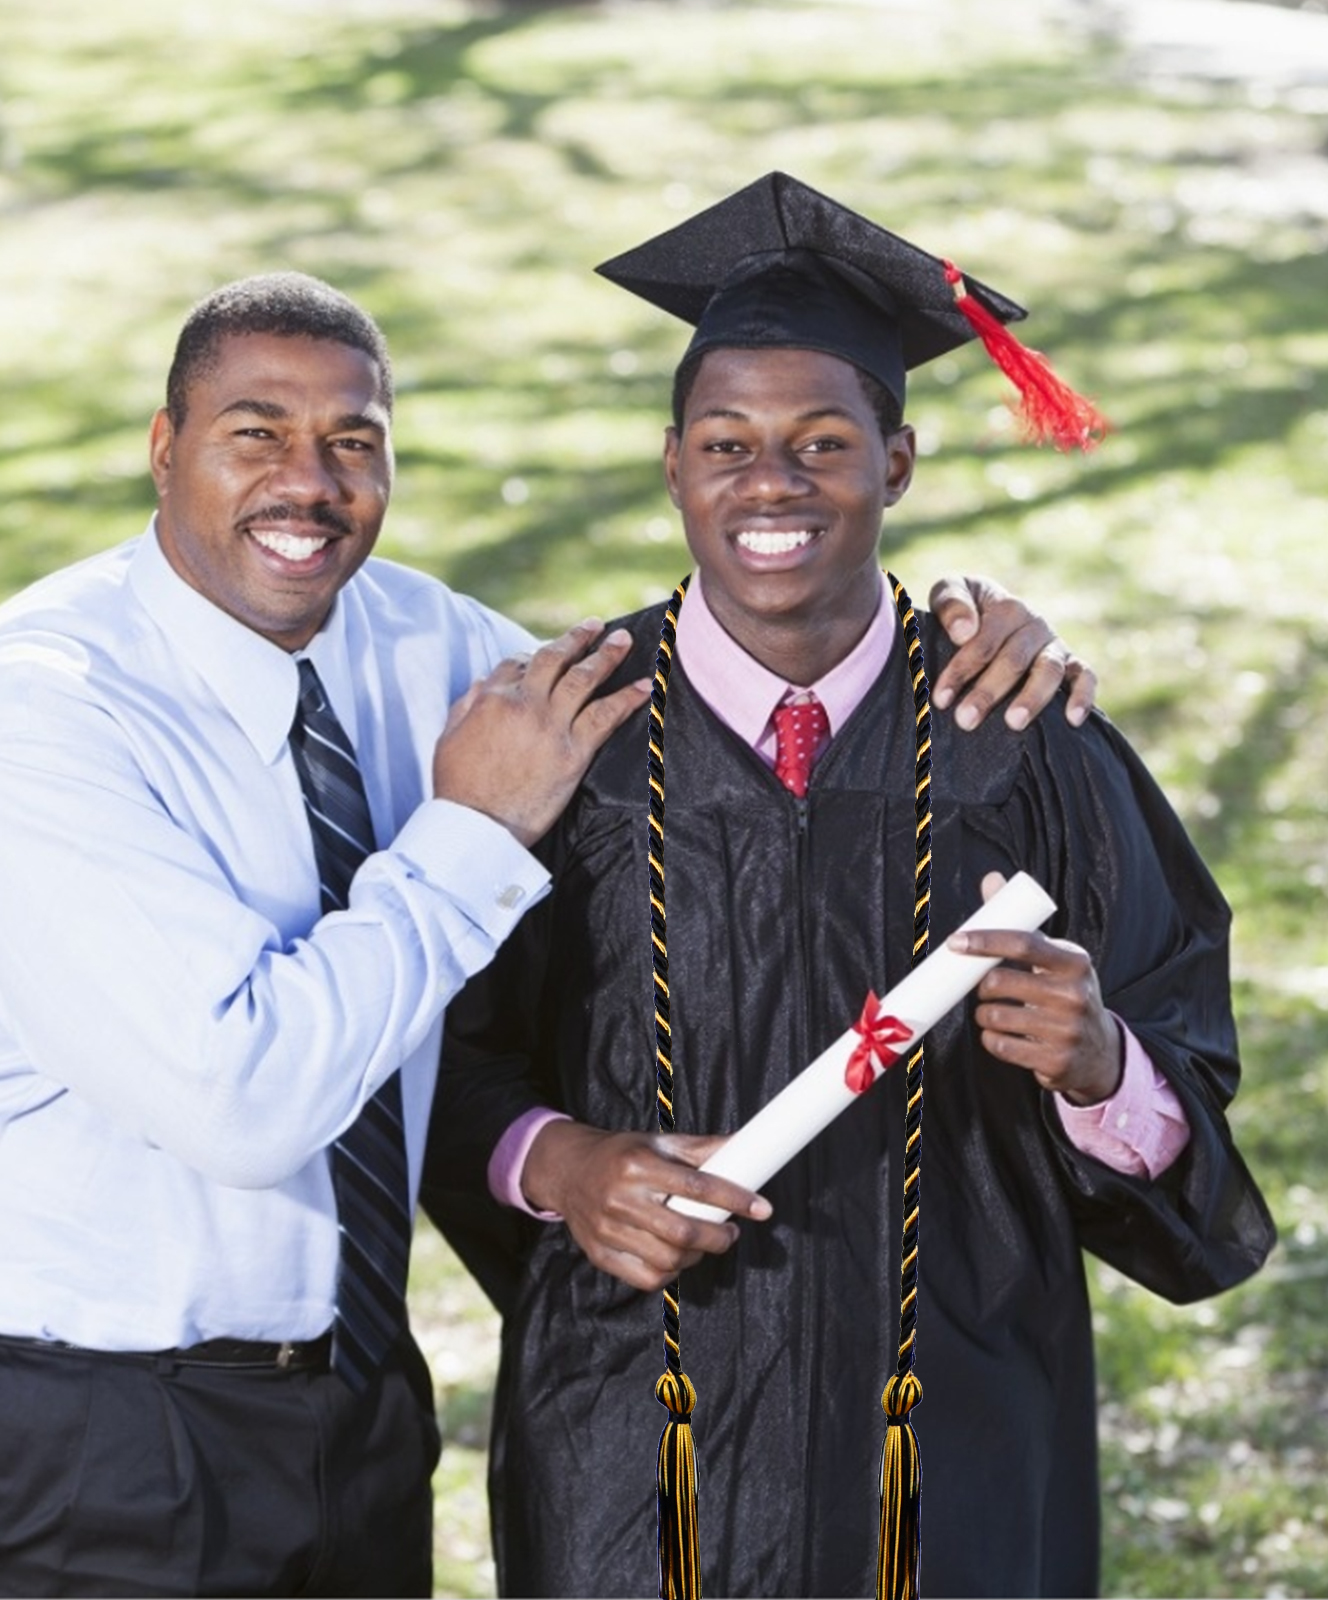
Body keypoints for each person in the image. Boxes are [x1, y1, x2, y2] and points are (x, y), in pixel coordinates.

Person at [0, 267, 1096, 1598]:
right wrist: (470, 831)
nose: (308, 482)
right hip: (65, 1420)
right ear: (165, 448)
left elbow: (710, 682)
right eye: (255, 433)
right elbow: (243, 1102)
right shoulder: (39, 709)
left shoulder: (420, 642)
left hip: (344, 1406)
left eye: (354, 441)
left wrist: (949, 632)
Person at [427, 174, 1275, 1598]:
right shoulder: (567, 741)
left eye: (824, 442)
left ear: (900, 460)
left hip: (957, 1428)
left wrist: (1101, 1065)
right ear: (673, 465)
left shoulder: (1025, 738)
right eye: (727, 444)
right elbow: (429, 1055)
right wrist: (562, 1165)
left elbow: (1180, 1068)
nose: (772, 482)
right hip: (637, 1427)